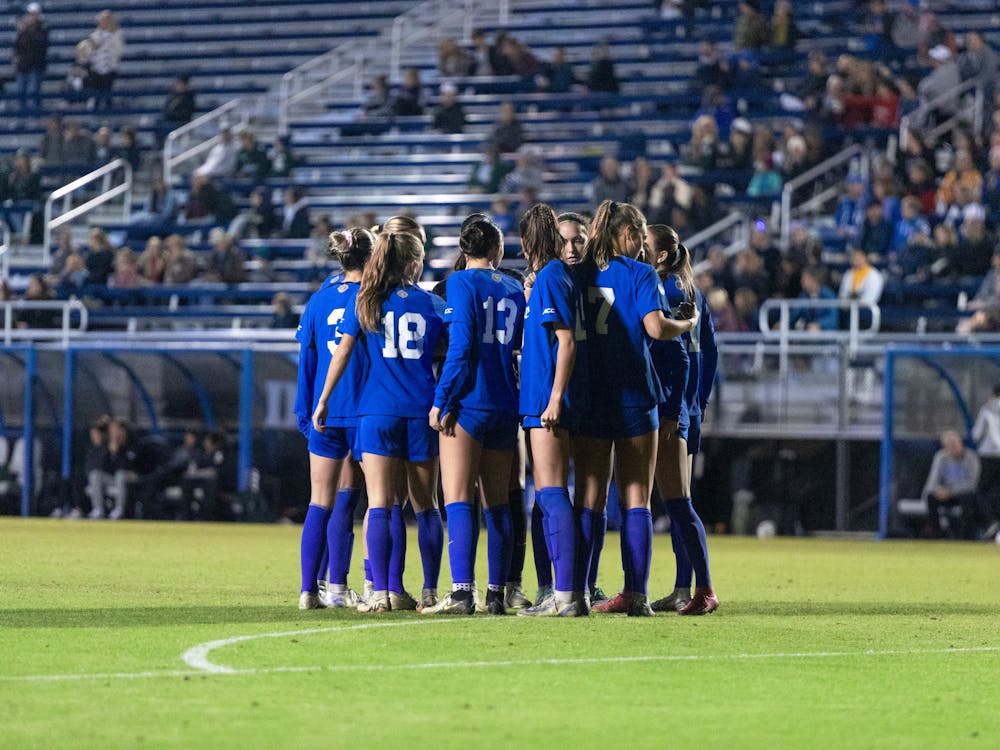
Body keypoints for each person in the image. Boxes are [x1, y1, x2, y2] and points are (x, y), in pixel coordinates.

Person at [569, 202, 699, 618]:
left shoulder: (578, 273)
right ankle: (636, 594)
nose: (642, 244)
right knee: (636, 498)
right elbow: (657, 328)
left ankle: (580, 591)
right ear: (624, 232)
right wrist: (688, 323)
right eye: (638, 235)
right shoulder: (640, 273)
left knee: (588, 498)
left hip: (590, 396)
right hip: (634, 397)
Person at [312, 228, 445, 614]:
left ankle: (384, 592)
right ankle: (429, 592)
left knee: (381, 505)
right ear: (414, 264)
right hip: (421, 411)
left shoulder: (367, 302)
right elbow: (450, 353)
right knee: (426, 507)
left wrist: (323, 400)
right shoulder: (431, 304)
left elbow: (340, 355)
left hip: (375, 413)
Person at [426, 214, 526, 615]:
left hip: (469, 402)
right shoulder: (516, 288)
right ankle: (497, 594)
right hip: (506, 401)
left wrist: (442, 399)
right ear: (498, 251)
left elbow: (462, 348)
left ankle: (462, 592)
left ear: (463, 251)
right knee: (498, 502)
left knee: (459, 498)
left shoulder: (459, 284)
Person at [293, 227, 374, 610]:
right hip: (361, 408)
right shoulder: (373, 299)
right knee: (359, 501)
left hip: (323, 411)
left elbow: (307, 360)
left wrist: (305, 408)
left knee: (318, 501)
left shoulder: (318, 300)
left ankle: (309, 590)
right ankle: (344, 587)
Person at [514, 204, 584, 617]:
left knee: (553, 492)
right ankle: (561, 592)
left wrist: (555, 398)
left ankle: (567, 595)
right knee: (547, 494)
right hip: (539, 398)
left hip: (546, 400)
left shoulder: (552, 277)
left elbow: (567, 341)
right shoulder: (547, 279)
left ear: (526, 243)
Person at [920, 430, 981, 539]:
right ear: (945, 447)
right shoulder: (940, 457)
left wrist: (951, 491)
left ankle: (966, 537)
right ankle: (935, 534)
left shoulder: (971, 457)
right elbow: (932, 480)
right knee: (931, 497)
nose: (954, 447)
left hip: (963, 493)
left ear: (960, 443)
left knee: (967, 498)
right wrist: (937, 490)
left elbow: (971, 483)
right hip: (945, 493)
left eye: (955, 444)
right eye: (950, 445)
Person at [86, 418, 137, 520]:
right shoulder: (107, 446)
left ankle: (119, 509)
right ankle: (98, 509)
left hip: (131, 476)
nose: (113, 433)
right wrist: (111, 452)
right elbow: (103, 466)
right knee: (95, 474)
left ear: (122, 430)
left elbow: (127, 466)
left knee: (120, 474)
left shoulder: (131, 442)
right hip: (113, 478)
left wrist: (117, 452)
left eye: (115, 430)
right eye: (111, 430)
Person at [972, 385, 1000, 540]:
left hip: (989, 455)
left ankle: (990, 521)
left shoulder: (988, 409)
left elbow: (976, 434)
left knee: (982, 491)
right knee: (997, 490)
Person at [13, 3, 48, 113]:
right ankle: (21, 114)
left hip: (36, 65)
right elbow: (18, 47)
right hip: (23, 65)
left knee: (34, 91)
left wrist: (25, 30)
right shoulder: (22, 31)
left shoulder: (43, 28)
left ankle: (36, 114)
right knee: (21, 91)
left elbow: (40, 45)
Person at [87, 10, 124, 111]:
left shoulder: (118, 34)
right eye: (103, 20)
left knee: (108, 91)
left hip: (110, 67)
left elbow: (119, 51)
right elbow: (90, 52)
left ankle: (109, 108)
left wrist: (111, 38)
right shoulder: (94, 35)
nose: (105, 22)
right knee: (96, 92)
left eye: (108, 19)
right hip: (97, 68)